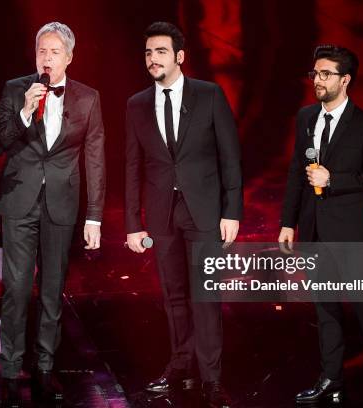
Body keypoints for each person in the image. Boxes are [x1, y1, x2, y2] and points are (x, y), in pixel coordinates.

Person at [124, 21, 242, 408]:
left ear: (179, 56)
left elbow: (230, 156)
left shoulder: (208, 95)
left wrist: (232, 210)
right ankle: (180, 365)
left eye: (160, 51)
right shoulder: (137, 104)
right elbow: (131, 167)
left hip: (205, 211)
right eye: (147, 52)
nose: (152, 58)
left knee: (205, 296)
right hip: (161, 214)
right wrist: (133, 224)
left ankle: (212, 378)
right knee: (173, 296)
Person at [0, 21, 105, 402]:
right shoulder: (14, 89)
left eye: (55, 52)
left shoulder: (88, 98)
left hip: (61, 203)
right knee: (17, 289)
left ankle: (44, 367)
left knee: (53, 291)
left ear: (69, 57)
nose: (47, 58)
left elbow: (95, 159)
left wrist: (94, 216)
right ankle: (9, 369)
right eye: (42, 51)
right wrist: (24, 110)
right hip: (19, 200)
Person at [278, 44, 363, 405]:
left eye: (326, 74)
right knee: (324, 305)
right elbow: (297, 173)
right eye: (315, 73)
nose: (318, 80)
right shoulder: (305, 118)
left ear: (345, 80)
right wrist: (288, 222)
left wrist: (334, 180)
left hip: (351, 233)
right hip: (314, 230)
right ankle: (331, 378)